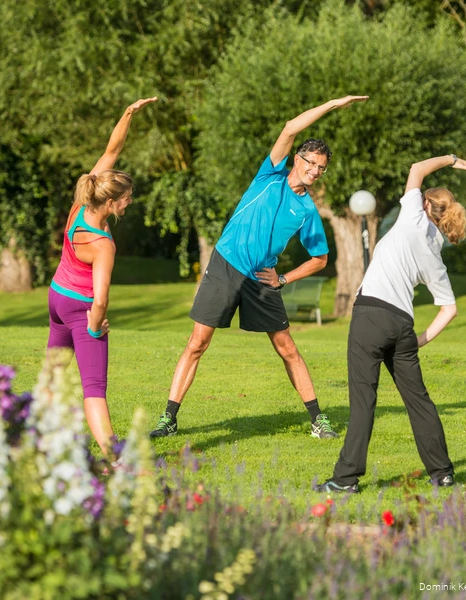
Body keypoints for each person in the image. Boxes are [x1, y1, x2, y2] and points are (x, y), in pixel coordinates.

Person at [148, 95, 371, 440]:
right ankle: (168, 419)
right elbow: (290, 128)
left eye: (321, 167)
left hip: (262, 279)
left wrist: (284, 278)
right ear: (297, 159)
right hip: (226, 265)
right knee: (197, 344)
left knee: (287, 348)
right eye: (310, 163)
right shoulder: (270, 175)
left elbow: (321, 259)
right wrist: (332, 105)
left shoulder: (308, 210)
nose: (314, 170)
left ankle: (317, 419)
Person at [314, 153, 466, 493]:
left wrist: (451, 159)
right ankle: (443, 473)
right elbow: (449, 309)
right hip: (402, 325)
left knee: (363, 402)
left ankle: (345, 480)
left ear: (424, 203)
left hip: (371, 315)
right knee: (419, 401)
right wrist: (418, 340)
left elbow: (416, 168)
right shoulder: (435, 250)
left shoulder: (412, 218)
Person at [47, 97, 157, 463]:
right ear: (111, 202)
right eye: (126, 199)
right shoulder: (103, 244)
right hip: (81, 307)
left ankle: (39, 443)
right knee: (93, 388)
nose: (129, 203)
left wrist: (127, 114)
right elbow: (102, 293)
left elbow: (112, 151)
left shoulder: (80, 206)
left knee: (56, 377)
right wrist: (96, 321)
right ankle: (116, 460)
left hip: (57, 299)